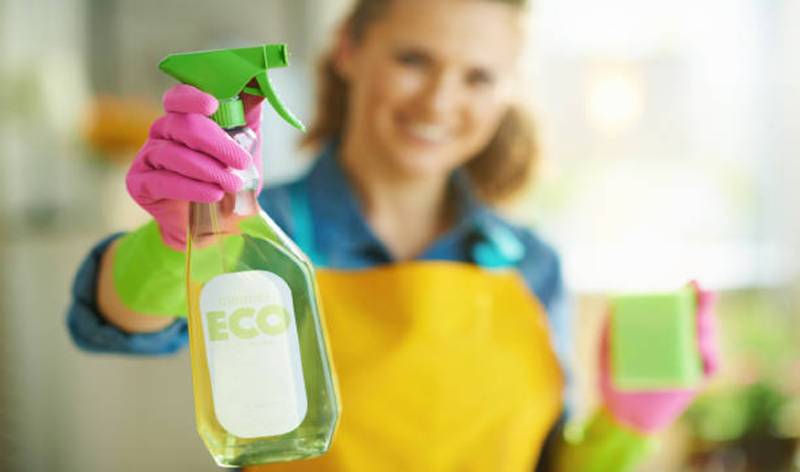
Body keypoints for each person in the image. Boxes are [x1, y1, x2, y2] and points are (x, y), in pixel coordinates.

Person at [66, 0, 718, 470]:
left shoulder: (531, 264)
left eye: (478, 76)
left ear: (506, 92)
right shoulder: (261, 230)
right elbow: (114, 324)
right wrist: (176, 240)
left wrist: (626, 427)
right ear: (349, 48)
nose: (439, 102)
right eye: (414, 59)